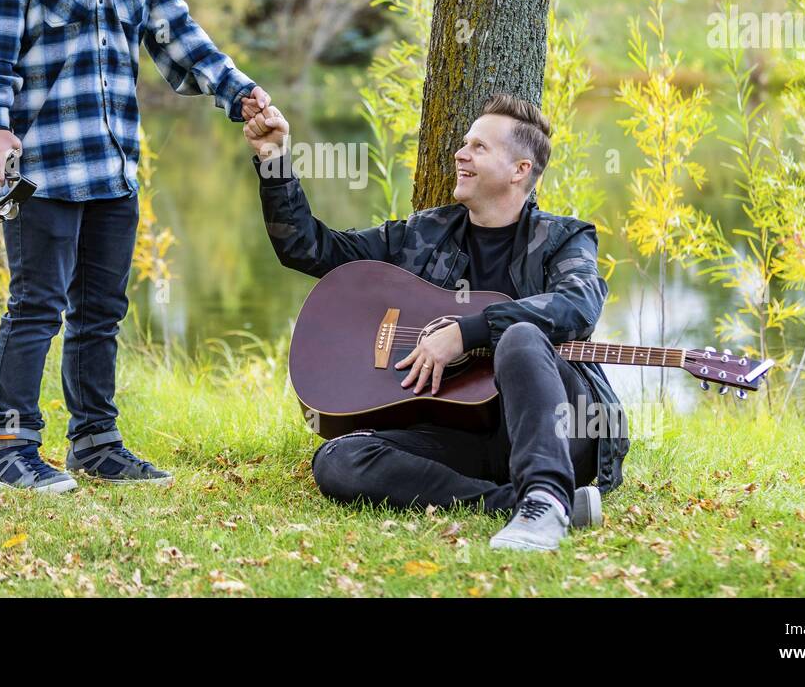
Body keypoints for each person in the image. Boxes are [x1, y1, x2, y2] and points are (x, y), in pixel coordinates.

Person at [0, 0, 270, 493]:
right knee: (36, 304)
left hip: (114, 163)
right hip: (40, 167)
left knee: (102, 311)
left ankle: (96, 443)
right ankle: (11, 452)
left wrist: (243, 94)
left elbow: (177, 36)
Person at [242, 94, 628, 551]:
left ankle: (545, 495)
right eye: (464, 143)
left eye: (479, 147)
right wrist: (274, 160)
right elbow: (309, 249)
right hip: (460, 435)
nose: (460, 154)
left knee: (522, 336)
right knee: (338, 459)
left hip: (558, 431)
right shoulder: (424, 235)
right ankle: (513, 503)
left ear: (520, 170)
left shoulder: (564, 238)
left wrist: (466, 332)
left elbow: (579, 304)